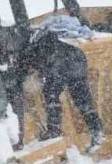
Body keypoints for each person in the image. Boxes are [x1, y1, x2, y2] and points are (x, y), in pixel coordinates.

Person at [12, 16, 105, 151]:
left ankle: (54, 130)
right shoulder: (40, 41)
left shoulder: (29, 52)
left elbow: (32, 67)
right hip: (77, 60)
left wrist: (21, 78)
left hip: (61, 62)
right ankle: (97, 130)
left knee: (51, 93)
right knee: (82, 99)